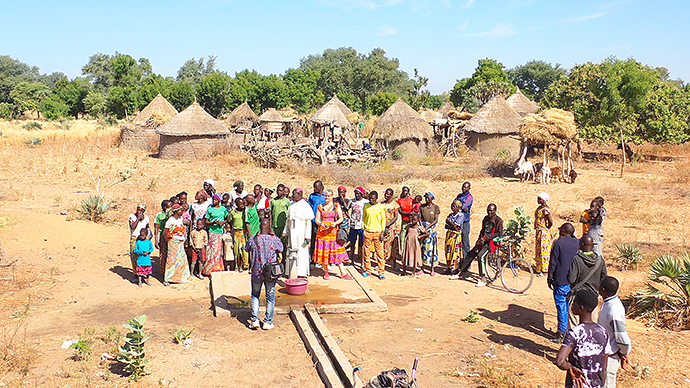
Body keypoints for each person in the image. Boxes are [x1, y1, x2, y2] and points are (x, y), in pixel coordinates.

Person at [556, 289, 611, 388]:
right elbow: (604, 368)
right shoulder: (603, 333)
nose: (572, 305)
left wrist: (570, 367)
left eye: (574, 302)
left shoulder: (574, 333)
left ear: (581, 307)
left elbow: (560, 361)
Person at [245, 217, 283, 330]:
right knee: (270, 297)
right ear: (269, 227)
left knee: (255, 295)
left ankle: (255, 320)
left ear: (260, 227)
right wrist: (274, 234)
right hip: (270, 273)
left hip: (256, 272)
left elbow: (247, 249)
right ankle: (267, 322)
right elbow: (281, 249)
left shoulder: (253, 239)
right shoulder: (274, 239)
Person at [548, 223, 580, 342]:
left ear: (563, 231)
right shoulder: (577, 243)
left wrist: (550, 278)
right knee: (571, 307)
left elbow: (553, 262)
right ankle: (572, 332)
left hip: (561, 280)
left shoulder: (558, 243)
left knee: (561, 306)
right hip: (574, 281)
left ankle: (562, 333)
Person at [458, 204, 503, 287]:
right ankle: (461, 272)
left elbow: (499, 234)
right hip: (483, 240)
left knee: (480, 256)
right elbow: (482, 231)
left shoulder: (498, 221)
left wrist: (486, 237)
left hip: (491, 243)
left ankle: (483, 278)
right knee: (471, 253)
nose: (489, 212)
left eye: (491, 210)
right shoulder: (485, 219)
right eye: (488, 210)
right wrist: (479, 241)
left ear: (495, 211)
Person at [598, 276, 631, 388]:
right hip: (606, 354)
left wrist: (623, 353)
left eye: (600, 285)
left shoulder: (613, 310)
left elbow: (622, 337)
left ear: (603, 290)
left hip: (611, 357)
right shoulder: (608, 303)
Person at [568, 235, 607, 326]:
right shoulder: (599, 260)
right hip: (592, 296)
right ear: (592, 246)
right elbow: (604, 278)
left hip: (577, 296)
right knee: (591, 324)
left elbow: (571, 279)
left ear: (581, 244)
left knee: (574, 325)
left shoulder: (577, 259)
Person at [313, 189, 352, 280]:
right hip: (322, 233)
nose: (327, 197)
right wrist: (321, 224)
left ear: (331, 197)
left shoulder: (336, 206)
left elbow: (341, 218)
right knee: (324, 252)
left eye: (329, 196)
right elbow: (317, 220)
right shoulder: (320, 207)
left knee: (336, 251)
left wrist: (335, 223)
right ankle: (326, 272)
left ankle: (343, 273)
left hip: (333, 233)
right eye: (325, 196)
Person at [283, 188, 315, 278]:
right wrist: (285, 232)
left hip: (301, 234)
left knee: (301, 252)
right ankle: (291, 272)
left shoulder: (305, 206)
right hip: (292, 233)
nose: (292, 196)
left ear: (300, 194)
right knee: (291, 251)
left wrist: (308, 236)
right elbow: (288, 220)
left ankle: (301, 272)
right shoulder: (291, 205)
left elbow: (308, 223)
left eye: (294, 194)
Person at [163, 204, 192, 285]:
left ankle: (180, 277)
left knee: (180, 260)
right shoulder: (170, 220)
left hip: (180, 242)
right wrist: (168, 240)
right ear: (175, 211)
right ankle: (168, 278)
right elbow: (165, 232)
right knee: (171, 260)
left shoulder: (180, 219)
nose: (182, 212)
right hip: (173, 242)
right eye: (180, 210)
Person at [362, 191, 387, 279]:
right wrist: (364, 229)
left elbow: (383, 220)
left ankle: (381, 272)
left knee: (379, 253)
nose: (371, 200)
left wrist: (382, 232)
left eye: (373, 198)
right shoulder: (366, 206)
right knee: (366, 252)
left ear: (376, 198)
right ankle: (367, 270)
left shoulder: (380, 207)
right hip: (368, 232)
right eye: (370, 198)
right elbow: (364, 218)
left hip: (378, 232)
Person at [204, 193, 227, 275]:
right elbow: (206, 221)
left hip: (220, 232)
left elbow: (227, 219)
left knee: (218, 251)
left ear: (219, 200)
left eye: (216, 199)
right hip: (212, 232)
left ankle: (218, 268)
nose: (214, 201)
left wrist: (222, 222)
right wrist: (213, 222)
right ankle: (209, 269)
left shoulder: (223, 209)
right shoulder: (210, 209)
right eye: (213, 199)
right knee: (211, 251)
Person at [419, 192, 440, 276]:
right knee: (422, 248)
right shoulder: (422, 207)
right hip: (423, 229)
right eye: (426, 198)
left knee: (432, 249)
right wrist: (422, 227)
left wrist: (427, 228)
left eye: (428, 198)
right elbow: (419, 218)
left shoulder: (435, 208)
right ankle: (421, 267)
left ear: (432, 199)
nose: (426, 199)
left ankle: (432, 268)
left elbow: (436, 220)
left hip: (431, 230)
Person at [535, 191, 554, 276]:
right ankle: (538, 268)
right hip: (539, 231)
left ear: (543, 200)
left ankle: (545, 270)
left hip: (543, 232)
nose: (538, 200)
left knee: (544, 250)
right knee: (539, 250)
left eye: (539, 198)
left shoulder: (545, 209)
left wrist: (546, 228)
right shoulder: (539, 208)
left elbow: (550, 221)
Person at [270, 183, 291, 258]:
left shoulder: (287, 201)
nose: (279, 192)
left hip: (283, 226)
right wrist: (270, 226)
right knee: (274, 244)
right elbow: (270, 213)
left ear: (283, 191)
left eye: (281, 190)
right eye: (278, 190)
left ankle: (283, 261)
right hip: (275, 226)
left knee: (283, 244)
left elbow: (289, 214)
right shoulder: (273, 201)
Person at [453, 181, 473, 259]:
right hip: (457, 222)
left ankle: (466, 263)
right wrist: (458, 206)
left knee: (465, 243)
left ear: (469, 188)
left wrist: (459, 206)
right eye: (463, 186)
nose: (463, 188)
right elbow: (454, 204)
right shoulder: (459, 195)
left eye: (465, 187)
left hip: (465, 222)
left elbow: (463, 206)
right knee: (456, 243)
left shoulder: (469, 197)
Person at [128, 204, 150, 275]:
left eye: (141, 210)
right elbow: (132, 227)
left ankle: (142, 272)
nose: (139, 211)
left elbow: (147, 227)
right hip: (134, 238)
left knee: (142, 256)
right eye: (138, 209)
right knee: (134, 256)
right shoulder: (132, 216)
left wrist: (149, 234)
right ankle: (135, 273)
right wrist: (138, 219)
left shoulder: (146, 217)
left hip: (143, 239)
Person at [348, 187, 369, 261]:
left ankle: (362, 261)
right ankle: (352, 260)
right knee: (352, 243)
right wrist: (350, 218)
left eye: (358, 193)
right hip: (353, 225)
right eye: (355, 193)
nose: (356, 195)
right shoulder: (352, 201)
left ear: (362, 194)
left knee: (362, 243)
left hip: (362, 225)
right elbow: (346, 209)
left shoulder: (366, 202)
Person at [445, 200, 465, 277]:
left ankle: (455, 269)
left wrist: (449, 222)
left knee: (455, 252)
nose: (452, 207)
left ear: (458, 208)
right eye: (452, 205)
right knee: (448, 251)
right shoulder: (451, 215)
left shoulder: (461, 215)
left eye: (454, 206)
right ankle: (449, 268)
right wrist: (452, 225)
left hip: (456, 236)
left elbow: (456, 227)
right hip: (449, 235)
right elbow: (446, 226)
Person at [381, 188, 400, 266]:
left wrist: (388, 224)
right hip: (383, 226)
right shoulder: (381, 204)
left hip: (392, 227)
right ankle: (383, 262)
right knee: (382, 245)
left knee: (393, 245)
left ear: (392, 195)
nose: (386, 195)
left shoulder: (395, 205)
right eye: (385, 193)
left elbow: (396, 217)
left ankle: (394, 263)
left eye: (388, 194)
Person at [229, 198, 248, 271]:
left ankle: (245, 265)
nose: (242, 205)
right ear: (236, 204)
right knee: (237, 251)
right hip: (236, 233)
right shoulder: (233, 212)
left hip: (243, 232)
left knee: (244, 250)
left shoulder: (245, 212)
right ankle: (238, 266)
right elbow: (230, 221)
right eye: (240, 204)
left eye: (243, 203)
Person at [308, 180, 326, 257]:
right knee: (314, 239)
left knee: (323, 240)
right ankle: (313, 257)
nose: (314, 189)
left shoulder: (326, 196)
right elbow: (309, 207)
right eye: (314, 187)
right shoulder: (312, 196)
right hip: (314, 221)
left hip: (324, 221)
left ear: (321, 187)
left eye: (316, 187)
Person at [153, 200, 171, 275]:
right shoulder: (159, 215)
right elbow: (156, 228)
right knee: (163, 254)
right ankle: (163, 272)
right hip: (163, 236)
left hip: (171, 236)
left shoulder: (172, 215)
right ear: (165, 207)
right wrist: (156, 240)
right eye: (169, 206)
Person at [397, 186, 414, 260]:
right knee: (402, 237)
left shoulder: (412, 200)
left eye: (406, 190)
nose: (405, 192)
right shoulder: (399, 201)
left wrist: (410, 215)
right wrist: (409, 213)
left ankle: (410, 254)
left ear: (408, 191)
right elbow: (400, 211)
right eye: (403, 190)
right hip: (404, 221)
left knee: (410, 238)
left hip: (412, 222)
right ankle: (403, 254)